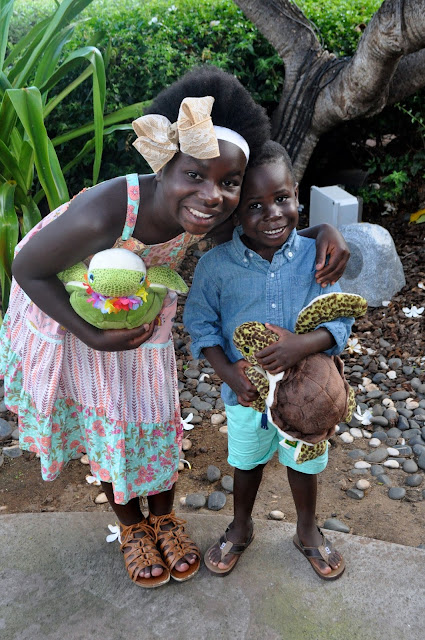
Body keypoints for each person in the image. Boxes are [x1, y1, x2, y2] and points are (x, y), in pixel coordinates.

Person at [0, 66, 348, 589]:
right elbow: (27, 268)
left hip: (145, 313)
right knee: (112, 422)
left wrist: (324, 230)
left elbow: (271, 225)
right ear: (163, 165)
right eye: (195, 176)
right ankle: (132, 525)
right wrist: (92, 335)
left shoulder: (215, 209)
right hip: (76, 314)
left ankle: (163, 517)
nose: (212, 195)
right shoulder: (105, 212)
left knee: (154, 416)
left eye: (228, 183)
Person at [184, 141, 354, 581]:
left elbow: (339, 318)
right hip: (247, 396)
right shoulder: (216, 267)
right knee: (246, 461)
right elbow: (201, 326)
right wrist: (228, 374)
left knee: (304, 463)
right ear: (236, 212)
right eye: (255, 206)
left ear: (296, 194)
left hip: (307, 397)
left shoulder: (317, 257)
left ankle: (306, 530)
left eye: (281, 199)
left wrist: (302, 345)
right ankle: (241, 526)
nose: (273, 214)